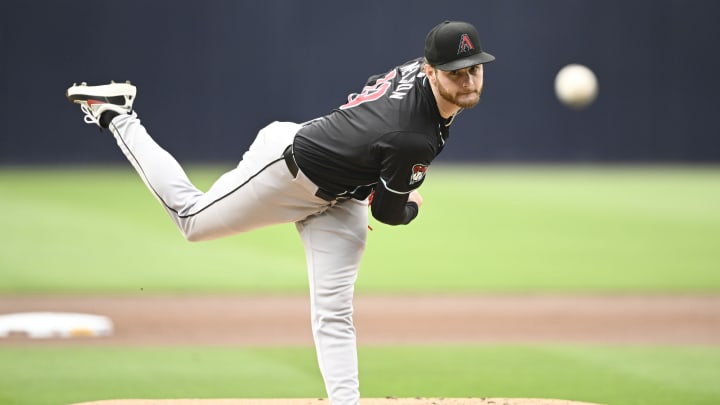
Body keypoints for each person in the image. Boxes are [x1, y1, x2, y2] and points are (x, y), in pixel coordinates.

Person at [66, 20, 494, 405]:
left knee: (335, 310)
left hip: (340, 193)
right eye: (455, 72)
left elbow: (372, 105)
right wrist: (411, 205)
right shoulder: (412, 136)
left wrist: (369, 166)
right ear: (430, 70)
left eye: (473, 68)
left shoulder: (415, 81)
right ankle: (118, 114)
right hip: (288, 170)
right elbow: (387, 212)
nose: (468, 80)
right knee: (193, 222)